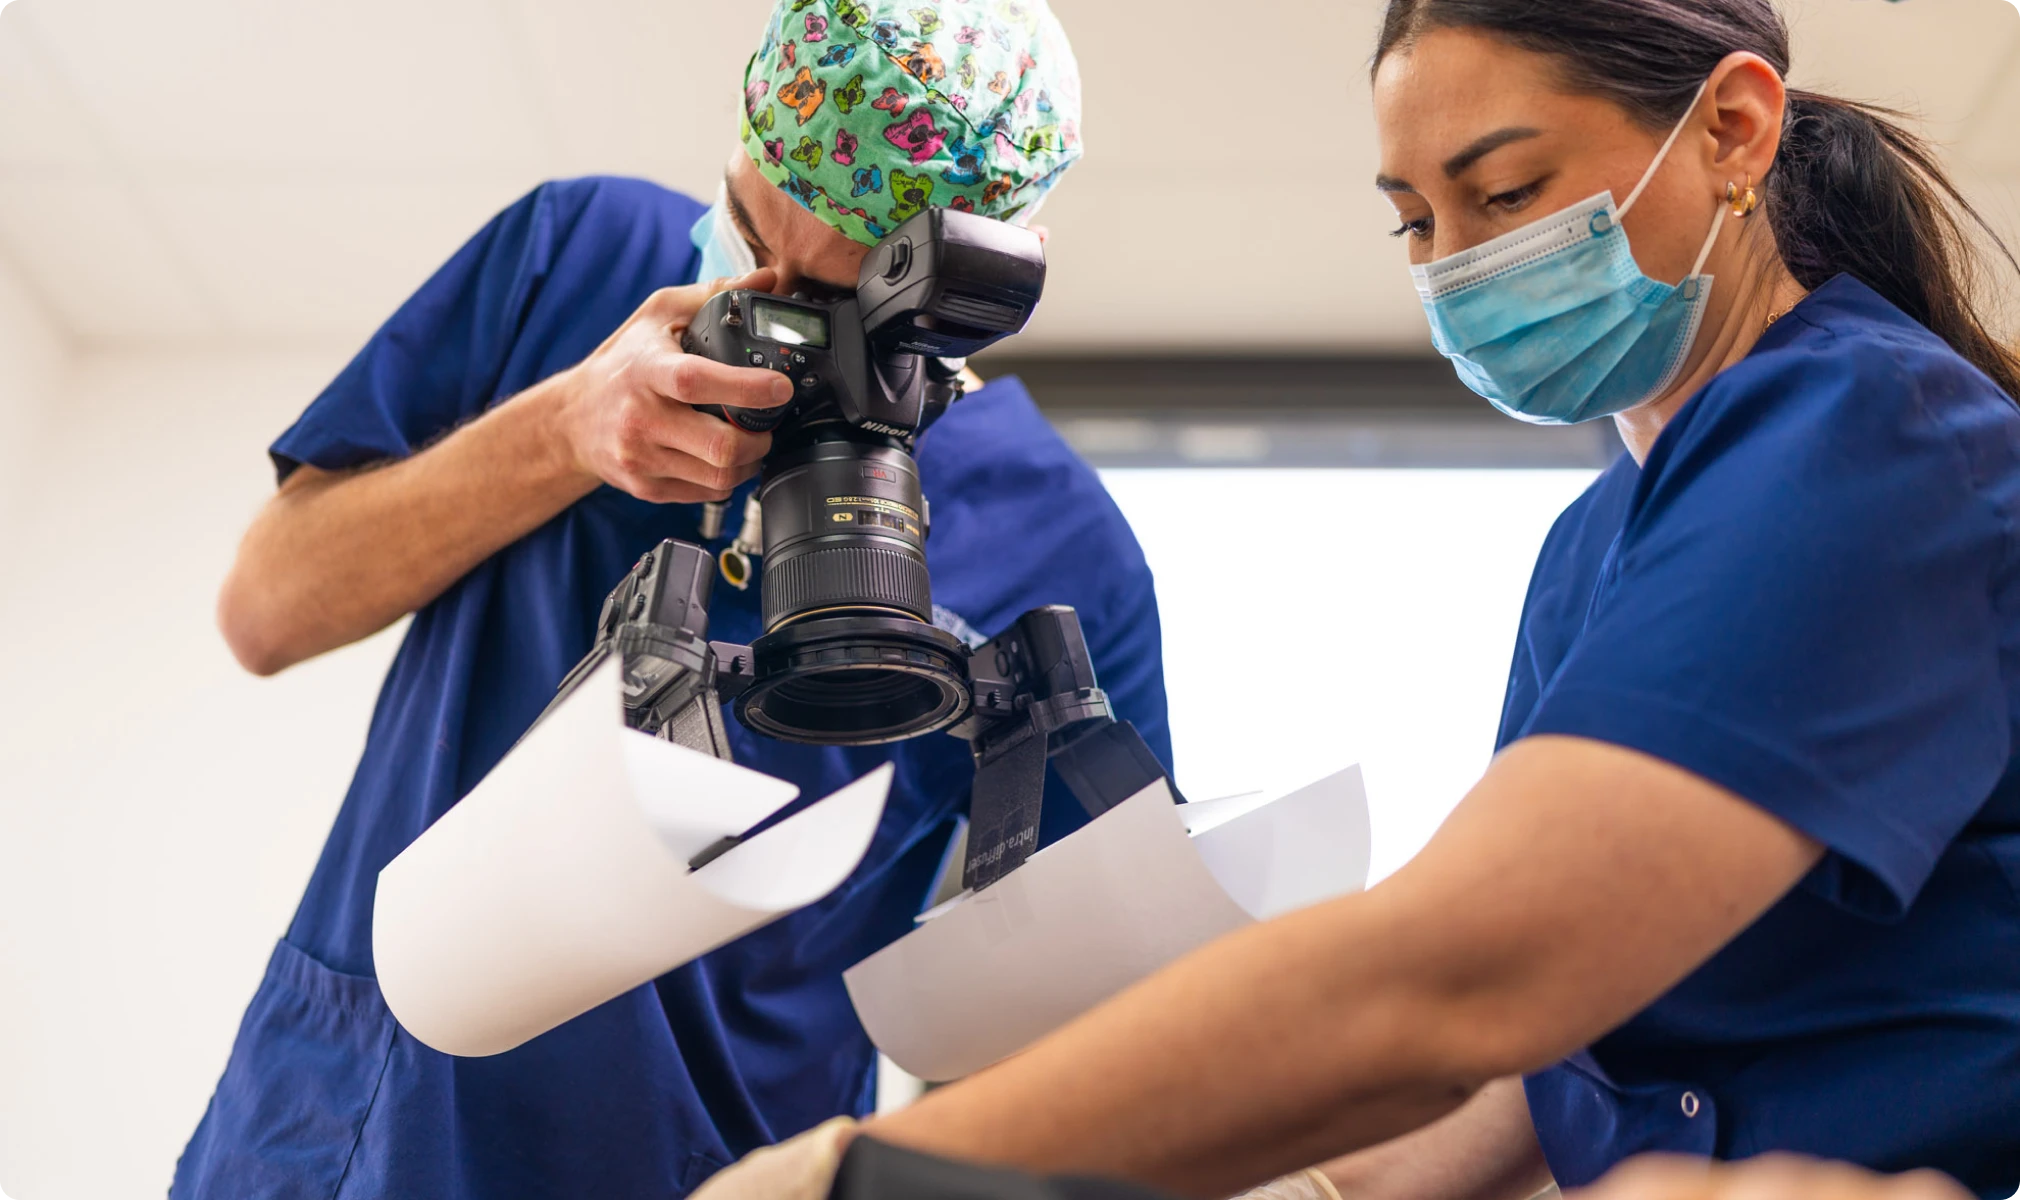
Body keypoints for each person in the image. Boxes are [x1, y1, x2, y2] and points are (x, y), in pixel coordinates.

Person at [690, 1, 2020, 1197]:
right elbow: (1555, 1049)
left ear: (1732, 130)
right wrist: (1323, 1184)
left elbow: (1474, 973)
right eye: (1415, 221)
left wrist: (866, 1174)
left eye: (1504, 193)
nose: (1453, 267)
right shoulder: (1593, 545)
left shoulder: (1868, 436)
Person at [169, 3, 1166, 1198]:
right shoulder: (579, 255)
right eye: (757, 259)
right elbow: (266, 609)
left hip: (725, 1162)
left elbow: (1099, 1017)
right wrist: (563, 430)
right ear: (741, 143)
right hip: (364, 1123)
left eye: (855, 320)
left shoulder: (1067, 549)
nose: (789, 338)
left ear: (987, 273)